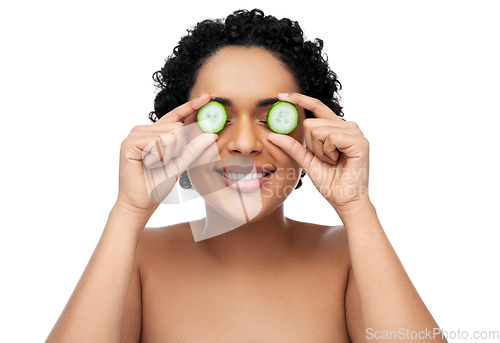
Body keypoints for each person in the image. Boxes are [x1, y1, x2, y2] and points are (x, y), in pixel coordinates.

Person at [46, 9, 447, 342]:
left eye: (271, 116)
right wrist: (129, 210)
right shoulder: (135, 257)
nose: (243, 143)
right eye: (216, 117)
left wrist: (357, 206)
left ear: (311, 132)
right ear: (177, 132)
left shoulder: (352, 255)